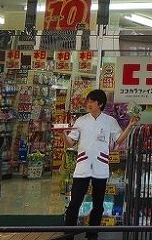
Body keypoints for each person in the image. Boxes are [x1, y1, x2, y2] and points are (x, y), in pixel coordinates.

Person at [64, 89, 137, 228]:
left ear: (101, 104)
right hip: (82, 167)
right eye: (88, 101)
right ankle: (68, 233)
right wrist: (63, 133)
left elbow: (119, 140)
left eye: (92, 101)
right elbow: (70, 143)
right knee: (75, 202)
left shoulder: (110, 121)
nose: (89, 104)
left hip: (100, 166)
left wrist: (129, 126)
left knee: (98, 204)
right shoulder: (81, 121)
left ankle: (92, 233)